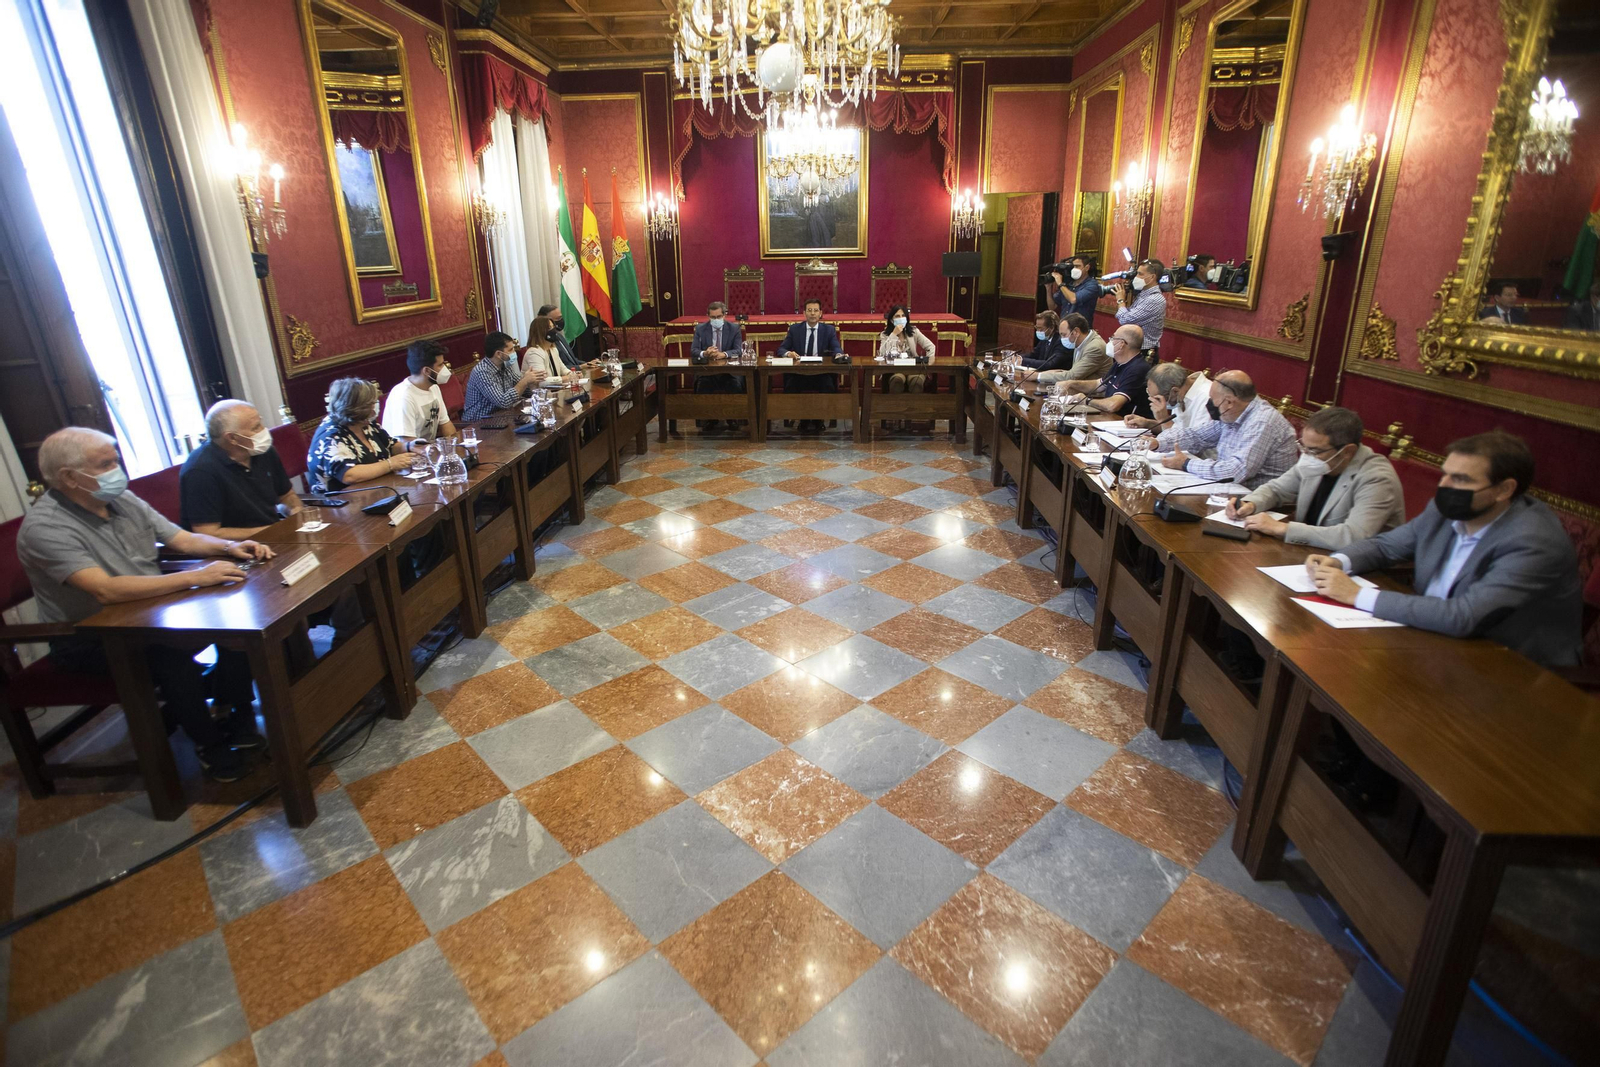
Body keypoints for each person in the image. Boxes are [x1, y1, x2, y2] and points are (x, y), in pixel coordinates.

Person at [18, 428, 275, 781]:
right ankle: (210, 744)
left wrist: (229, 547)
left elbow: (181, 539)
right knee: (169, 657)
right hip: (91, 635)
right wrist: (196, 578)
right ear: (69, 477)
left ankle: (236, 713)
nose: (117, 470)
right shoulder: (45, 527)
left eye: (116, 460)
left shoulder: (121, 498)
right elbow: (105, 590)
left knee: (237, 615)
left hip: (150, 608)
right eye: (105, 464)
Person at [1307, 431, 1581, 668]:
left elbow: (1464, 616)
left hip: (1512, 667)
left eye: (1460, 479)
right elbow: (1386, 546)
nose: (1443, 487)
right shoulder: (1444, 511)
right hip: (1432, 639)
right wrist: (1339, 561)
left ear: (1504, 489)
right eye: (1444, 475)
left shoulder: (1533, 541)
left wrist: (1356, 594)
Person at [1225, 406, 1405, 549]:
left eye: (1314, 451)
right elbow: (1276, 489)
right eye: (1304, 447)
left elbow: (1353, 536)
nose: (1306, 455)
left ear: (1347, 451)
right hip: (1309, 552)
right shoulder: (1317, 461)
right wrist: (1250, 503)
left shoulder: (1377, 479)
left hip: (1363, 569)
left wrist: (1283, 529)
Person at [181, 400, 303, 539]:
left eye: (261, 423)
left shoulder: (264, 451)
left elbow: (286, 495)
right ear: (232, 438)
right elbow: (207, 533)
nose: (264, 430)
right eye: (256, 427)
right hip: (234, 547)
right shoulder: (200, 471)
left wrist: (296, 512)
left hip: (273, 536)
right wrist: (274, 531)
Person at [1157, 370, 1297, 489]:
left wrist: (1186, 464)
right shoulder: (1232, 413)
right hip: (1229, 491)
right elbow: (1196, 436)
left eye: (1213, 399)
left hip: (1260, 502)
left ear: (1229, 402)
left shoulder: (1262, 422)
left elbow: (1236, 471)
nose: (1210, 404)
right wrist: (1157, 443)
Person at [307, 378, 418, 492]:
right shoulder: (330, 436)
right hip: (342, 499)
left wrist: (410, 446)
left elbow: (390, 446)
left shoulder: (365, 422)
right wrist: (390, 464)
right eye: (372, 404)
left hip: (379, 489)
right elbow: (349, 475)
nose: (375, 406)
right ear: (356, 408)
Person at [1054, 325, 1154, 417]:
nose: (1109, 342)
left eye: (1113, 338)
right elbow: (1098, 384)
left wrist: (1086, 400)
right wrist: (1070, 383)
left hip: (1123, 422)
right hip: (1110, 418)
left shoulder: (1137, 369)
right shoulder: (1119, 363)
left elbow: (1113, 405)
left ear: (1121, 344)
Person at [776, 298, 842, 433]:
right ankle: (802, 418)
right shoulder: (795, 329)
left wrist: (839, 354)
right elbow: (781, 349)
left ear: (820, 313)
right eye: (809, 310)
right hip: (800, 372)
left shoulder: (828, 330)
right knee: (791, 384)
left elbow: (836, 348)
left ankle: (819, 419)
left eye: (815, 310)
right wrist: (788, 353)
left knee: (828, 384)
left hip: (821, 373)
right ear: (804, 313)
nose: (812, 313)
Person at [381, 340, 458, 450]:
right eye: (440, 365)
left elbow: (446, 424)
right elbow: (408, 444)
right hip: (408, 456)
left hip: (428, 451)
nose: (445, 368)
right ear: (426, 371)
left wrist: (455, 449)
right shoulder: (403, 397)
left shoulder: (433, 387)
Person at [462, 331, 542, 421]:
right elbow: (503, 402)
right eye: (510, 350)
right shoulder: (482, 371)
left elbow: (523, 390)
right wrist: (525, 381)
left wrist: (533, 382)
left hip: (501, 416)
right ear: (498, 354)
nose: (514, 352)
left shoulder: (505, 365)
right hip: (478, 422)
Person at [692, 300, 745, 432]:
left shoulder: (734, 329)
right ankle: (708, 419)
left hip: (729, 371)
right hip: (708, 371)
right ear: (708, 316)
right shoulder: (700, 329)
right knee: (703, 385)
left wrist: (724, 354)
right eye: (713, 317)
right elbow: (694, 350)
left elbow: (738, 350)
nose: (716, 320)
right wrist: (705, 353)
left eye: (719, 317)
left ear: (724, 315)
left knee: (735, 384)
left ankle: (733, 418)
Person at [1020, 313, 1109, 387]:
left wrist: (1038, 376)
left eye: (1063, 335)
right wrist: (1046, 373)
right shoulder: (1080, 342)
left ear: (1076, 332)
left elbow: (1072, 376)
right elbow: (1073, 372)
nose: (1062, 339)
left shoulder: (1094, 348)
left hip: (1093, 395)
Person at [1127, 362, 1211, 438]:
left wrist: (1164, 420)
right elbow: (1175, 427)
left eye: (1157, 398)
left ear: (1175, 391)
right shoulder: (1180, 390)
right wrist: (1147, 423)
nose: (1153, 401)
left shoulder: (1207, 400)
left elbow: (1194, 443)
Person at [1112, 258, 1167, 356]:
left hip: (1144, 351)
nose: (1136, 277)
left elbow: (1125, 320)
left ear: (1152, 277)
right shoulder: (1143, 294)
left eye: (1140, 274)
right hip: (1133, 348)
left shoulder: (1154, 299)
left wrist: (1120, 300)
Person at [1049, 254, 1101, 321]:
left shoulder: (1092, 285)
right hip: (1064, 325)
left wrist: (1060, 284)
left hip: (1080, 326)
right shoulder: (1069, 284)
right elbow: (1052, 306)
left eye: (1077, 266)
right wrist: (1048, 288)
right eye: (1073, 266)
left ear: (1087, 267)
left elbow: (1073, 299)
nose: (1074, 269)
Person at [536, 303, 583, 369]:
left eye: (561, 317)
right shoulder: (545, 342)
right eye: (557, 318)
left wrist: (588, 364)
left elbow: (573, 360)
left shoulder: (559, 336)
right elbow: (557, 368)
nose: (560, 320)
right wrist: (580, 367)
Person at [521, 315, 566, 383]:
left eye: (553, 327)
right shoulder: (534, 353)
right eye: (550, 328)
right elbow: (542, 381)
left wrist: (573, 374)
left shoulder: (553, 349)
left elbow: (563, 369)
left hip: (554, 388)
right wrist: (564, 379)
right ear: (540, 332)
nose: (554, 330)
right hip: (539, 390)